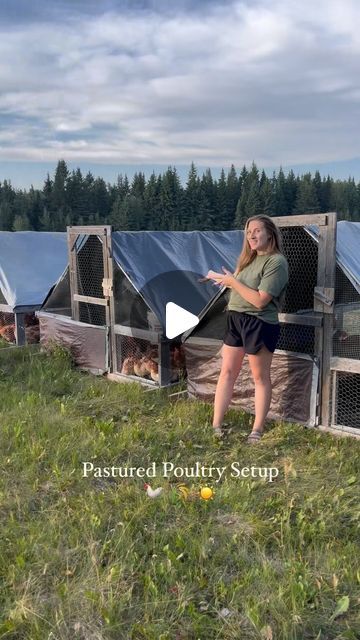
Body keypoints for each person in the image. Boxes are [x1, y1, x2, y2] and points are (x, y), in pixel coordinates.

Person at [208, 215, 288, 443]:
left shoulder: (276, 262)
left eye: (256, 231)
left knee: (260, 377)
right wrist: (227, 280)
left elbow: (261, 300)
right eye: (248, 231)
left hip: (259, 323)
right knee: (227, 373)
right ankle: (216, 425)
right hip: (235, 318)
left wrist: (234, 282)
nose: (251, 235)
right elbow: (242, 290)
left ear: (270, 233)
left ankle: (257, 430)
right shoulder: (247, 259)